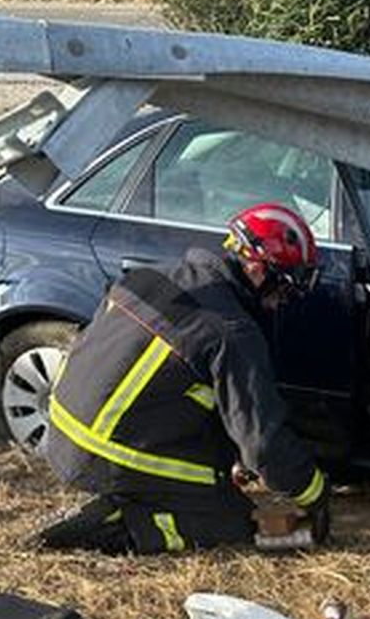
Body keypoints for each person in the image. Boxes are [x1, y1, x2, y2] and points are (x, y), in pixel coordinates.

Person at [38, 202, 330, 554]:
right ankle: (121, 527)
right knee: (240, 521)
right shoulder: (231, 332)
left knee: (218, 465)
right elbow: (263, 443)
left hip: (60, 430)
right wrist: (314, 493)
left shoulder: (152, 276)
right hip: (101, 454)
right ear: (256, 268)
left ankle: (130, 498)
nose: (281, 302)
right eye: (283, 287)